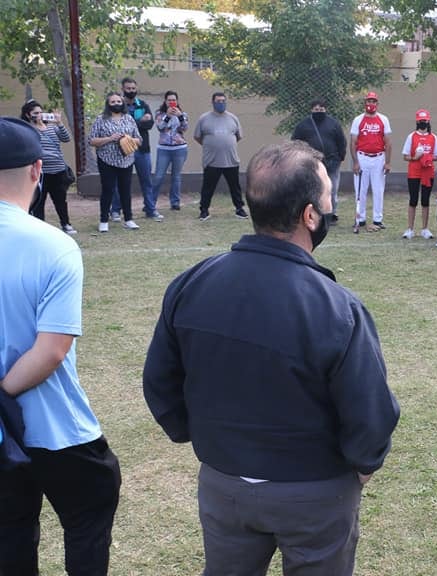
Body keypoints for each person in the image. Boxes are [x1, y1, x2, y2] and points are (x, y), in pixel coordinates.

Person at [142, 140, 400, 575]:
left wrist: (207, 441)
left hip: (225, 483)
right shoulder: (338, 308)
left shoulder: (192, 284)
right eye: (327, 196)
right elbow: (370, 413)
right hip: (314, 492)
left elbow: (160, 385)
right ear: (309, 215)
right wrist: (362, 466)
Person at [0, 116, 122, 576]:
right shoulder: (52, 246)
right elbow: (50, 352)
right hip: (55, 430)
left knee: (9, 536)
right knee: (89, 517)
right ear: (37, 170)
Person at [90, 91, 142, 232]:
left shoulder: (129, 119)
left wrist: (128, 139)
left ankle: (129, 219)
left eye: (118, 101)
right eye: (113, 102)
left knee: (126, 190)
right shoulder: (100, 119)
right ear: (108, 104)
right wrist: (110, 138)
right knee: (108, 190)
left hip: (126, 160)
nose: (116, 104)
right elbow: (92, 140)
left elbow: (139, 139)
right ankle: (103, 220)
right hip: (107, 160)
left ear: (122, 103)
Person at [21, 100, 76, 234]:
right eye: (36, 113)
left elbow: (66, 138)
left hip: (58, 170)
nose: (39, 115)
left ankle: (66, 223)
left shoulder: (52, 127)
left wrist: (59, 122)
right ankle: (40, 226)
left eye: (41, 112)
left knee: (60, 200)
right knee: (39, 201)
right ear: (28, 115)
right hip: (41, 172)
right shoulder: (28, 129)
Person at [111, 77, 160, 222]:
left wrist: (135, 123)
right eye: (128, 89)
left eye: (133, 88)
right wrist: (140, 121)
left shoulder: (143, 104)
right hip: (123, 150)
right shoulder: (117, 105)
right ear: (123, 89)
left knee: (146, 181)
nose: (131, 91)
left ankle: (151, 210)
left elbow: (150, 124)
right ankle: (115, 210)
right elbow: (119, 126)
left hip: (141, 149)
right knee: (120, 181)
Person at [193, 92, 248, 221]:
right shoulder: (204, 119)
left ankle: (239, 209)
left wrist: (226, 145)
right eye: (218, 101)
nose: (221, 103)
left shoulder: (233, 118)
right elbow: (197, 137)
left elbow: (239, 136)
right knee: (208, 187)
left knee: (235, 187)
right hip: (212, 161)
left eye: (223, 101)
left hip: (231, 160)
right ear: (212, 102)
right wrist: (211, 145)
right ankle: (204, 211)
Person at [292, 98, 347, 224]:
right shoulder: (303, 125)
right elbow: (295, 142)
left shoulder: (334, 124)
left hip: (332, 162)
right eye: (316, 109)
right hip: (311, 163)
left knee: (332, 189)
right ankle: (314, 213)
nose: (319, 111)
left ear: (325, 110)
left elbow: (341, 141)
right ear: (311, 110)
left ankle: (330, 214)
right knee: (313, 189)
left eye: (321, 109)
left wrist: (340, 156)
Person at [350, 91, 392, 231]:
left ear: (377, 104)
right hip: (362, 157)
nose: (371, 104)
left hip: (379, 158)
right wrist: (355, 162)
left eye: (373, 101)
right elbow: (353, 142)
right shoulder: (358, 120)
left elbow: (388, 142)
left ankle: (377, 219)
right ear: (365, 103)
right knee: (360, 190)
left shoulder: (383, 119)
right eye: (369, 101)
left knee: (378, 189)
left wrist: (387, 161)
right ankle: (360, 218)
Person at [400, 109, 437, 240]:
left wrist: (427, 157)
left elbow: (436, 156)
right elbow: (405, 156)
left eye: (425, 120)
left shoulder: (433, 137)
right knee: (413, 199)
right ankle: (410, 229)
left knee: (425, 200)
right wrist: (415, 157)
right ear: (417, 121)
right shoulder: (412, 136)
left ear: (428, 121)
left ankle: (425, 229)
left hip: (428, 172)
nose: (423, 122)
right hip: (414, 172)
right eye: (421, 120)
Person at [153, 90, 190, 213]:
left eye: (174, 100)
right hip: (164, 149)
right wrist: (168, 116)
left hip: (179, 148)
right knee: (158, 176)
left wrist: (179, 116)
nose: (172, 102)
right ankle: (150, 202)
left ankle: (175, 203)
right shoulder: (159, 114)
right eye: (169, 100)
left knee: (176, 176)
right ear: (165, 101)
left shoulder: (183, 114)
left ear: (177, 101)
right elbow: (160, 127)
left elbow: (184, 128)